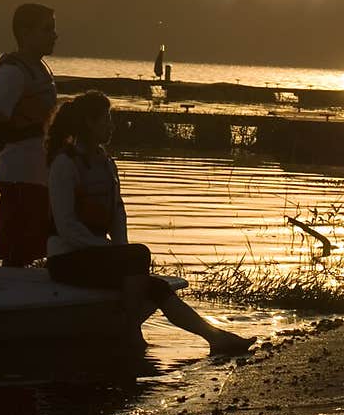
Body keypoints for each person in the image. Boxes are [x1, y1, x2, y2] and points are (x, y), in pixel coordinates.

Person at [45, 90, 255, 355]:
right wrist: (113, 252)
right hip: (67, 260)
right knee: (139, 256)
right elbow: (66, 226)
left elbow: (117, 213)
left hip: (97, 254)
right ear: (89, 122)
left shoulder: (106, 163)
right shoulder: (64, 164)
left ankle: (215, 338)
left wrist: (120, 251)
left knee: (153, 284)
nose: (111, 125)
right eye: (106, 119)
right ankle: (130, 333)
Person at [0, 2, 59, 266]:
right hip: (20, 173)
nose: (54, 35)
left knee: (37, 247)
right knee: (19, 251)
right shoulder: (14, 72)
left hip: (38, 174)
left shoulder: (38, 68)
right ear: (25, 33)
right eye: (47, 29)